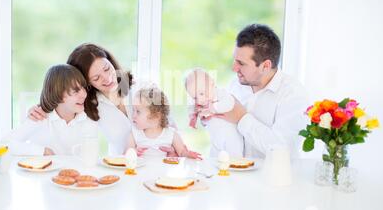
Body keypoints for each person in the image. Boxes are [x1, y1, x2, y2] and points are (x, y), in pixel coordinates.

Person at [28, 43, 179, 156]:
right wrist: (41, 108)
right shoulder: (90, 106)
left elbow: (170, 124)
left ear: (111, 62)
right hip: (122, 170)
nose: (107, 79)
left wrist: (175, 149)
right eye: (96, 78)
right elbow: (63, 104)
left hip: (161, 163)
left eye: (107, 69)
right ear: (86, 83)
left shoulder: (142, 86)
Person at [214, 24, 308, 158]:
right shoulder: (236, 84)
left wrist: (241, 117)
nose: (234, 68)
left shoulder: (293, 94)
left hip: (270, 177)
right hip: (230, 173)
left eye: (241, 63)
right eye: (235, 60)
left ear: (265, 66)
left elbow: (281, 149)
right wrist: (207, 114)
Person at [4, 64, 98, 156]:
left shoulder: (87, 119)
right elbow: (4, 144)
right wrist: (42, 151)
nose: (84, 94)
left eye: (84, 88)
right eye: (76, 91)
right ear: (58, 95)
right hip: (44, 170)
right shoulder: (40, 117)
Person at [128, 86, 202, 160]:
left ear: (155, 116)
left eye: (138, 111)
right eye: (133, 110)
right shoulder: (134, 134)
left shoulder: (171, 134)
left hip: (163, 171)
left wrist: (188, 154)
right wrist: (133, 152)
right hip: (141, 171)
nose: (133, 115)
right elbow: (127, 152)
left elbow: (182, 152)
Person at [184, 68, 244, 157]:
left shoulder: (220, 93)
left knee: (235, 158)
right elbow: (194, 110)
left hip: (231, 138)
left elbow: (230, 103)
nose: (200, 100)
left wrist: (214, 108)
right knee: (213, 160)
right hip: (215, 139)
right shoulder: (201, 103)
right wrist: (194, 116)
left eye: (201, 94)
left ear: (212, 84)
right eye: (195, 97)